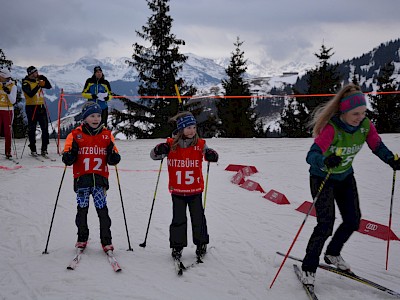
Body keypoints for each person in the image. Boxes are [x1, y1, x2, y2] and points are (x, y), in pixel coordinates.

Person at [301, 83, 400, 286]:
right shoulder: (332, 128)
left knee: (353, 220)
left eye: (363, 112)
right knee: (325, 224)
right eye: (355, 113)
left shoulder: (365, 125)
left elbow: (376, 145)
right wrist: (324, 161)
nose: (360, 117)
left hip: (345, 177)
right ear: (343, 111)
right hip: (323, 178)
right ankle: (308, 267)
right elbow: (311, 155)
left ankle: (333, 253)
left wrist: (391, 159)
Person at [150, 111, 219, 260]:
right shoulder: (170, 144)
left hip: (195, 190)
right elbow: (154, 156)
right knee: (178, 219)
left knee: (198, 218)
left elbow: (210, 154)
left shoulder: (200, 144)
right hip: (178, 191)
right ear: (180, 129)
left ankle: (201, 243)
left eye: (194, 127)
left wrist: (212, 155)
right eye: (188, 128)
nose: (192, 131)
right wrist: (158, 150)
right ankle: (177, 246)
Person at [62, 102, 121, 253]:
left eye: (98, 116)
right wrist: (70, 154)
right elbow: (67, 158)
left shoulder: (106, 135)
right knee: (82, 210)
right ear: (85, 118)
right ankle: (82, 238)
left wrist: (113, 156)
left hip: (100, 180)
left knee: (103, 211)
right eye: (92, 116)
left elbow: (114, 157)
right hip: (82, 179)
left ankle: (106, 240)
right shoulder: (75, 135)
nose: (96, 119)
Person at [22, 66, 52, 157]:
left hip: (41, 106)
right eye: (35, 72)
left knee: (45, 128)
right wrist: (38, 85)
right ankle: (33, 149)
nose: (37, 73)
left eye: (37, 72)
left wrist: (44, 78)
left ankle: (44, 149)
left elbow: (49, 86)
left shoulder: (38, 80)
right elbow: (30, 94)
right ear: (31, 74)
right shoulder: (25, 83)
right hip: (31, 107)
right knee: (32, 128)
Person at [0, 68, 17, 158]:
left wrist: (8, 93)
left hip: (8, 110)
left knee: (7, 132)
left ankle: (8, 152)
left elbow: (13, 101)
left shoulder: (12, 86)